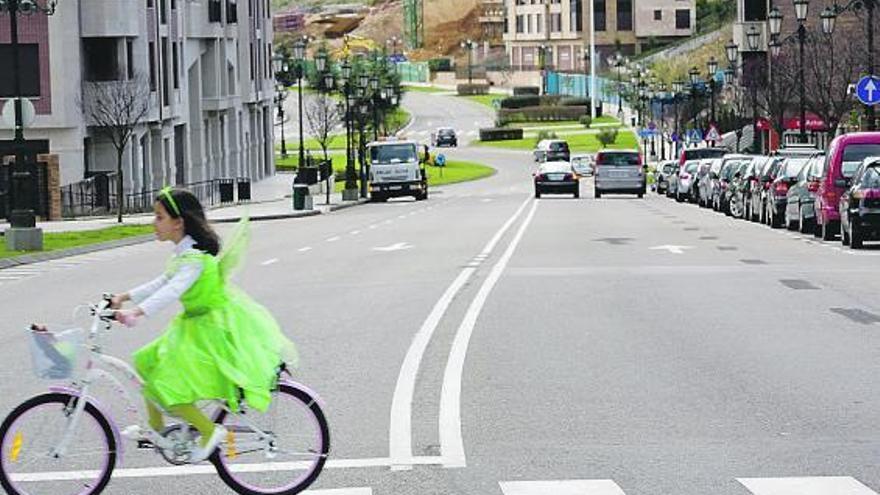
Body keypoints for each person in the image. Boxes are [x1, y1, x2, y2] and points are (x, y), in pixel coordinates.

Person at [112, 187, 297, 463]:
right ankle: (157, 428)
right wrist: (123, 297)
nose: (154, 222)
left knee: (166, 386)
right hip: (191, 325)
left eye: (159, 217)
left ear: (178, 222)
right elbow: (162, 282)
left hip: (208, 330)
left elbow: (173, 290)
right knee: (146, 363)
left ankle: (209, 432)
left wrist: (137, 312)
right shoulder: (182, 256)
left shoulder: (194, 261)